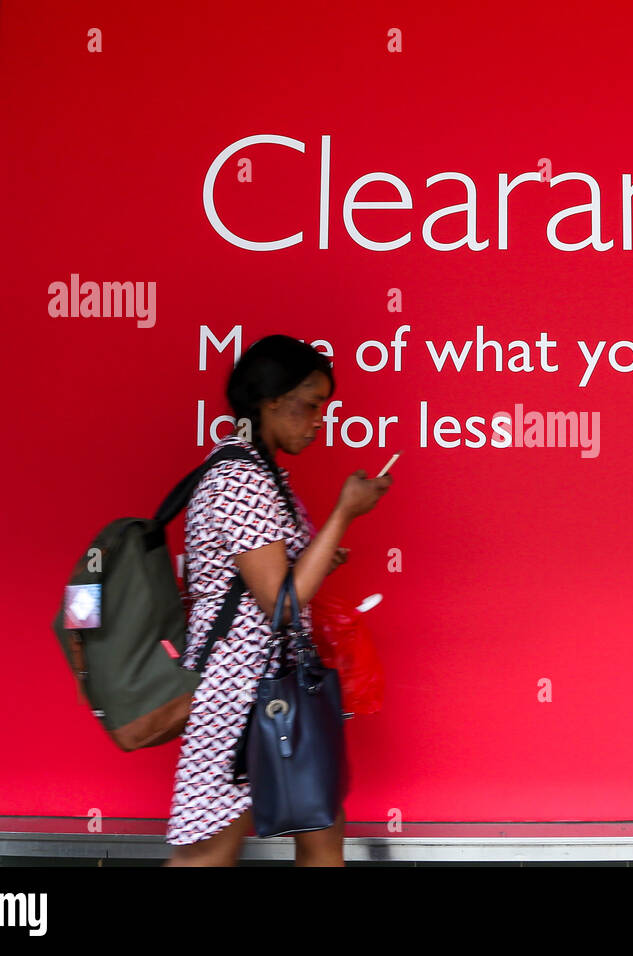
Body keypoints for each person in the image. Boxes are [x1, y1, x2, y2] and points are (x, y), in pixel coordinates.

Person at [164, 334, 392, 866]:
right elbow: (282, 605)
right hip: (239, 695)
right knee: (205, 856)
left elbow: (270, 578)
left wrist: (317, 554)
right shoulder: (240, 478)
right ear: (271, 399)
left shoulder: (260, 473)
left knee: (320, 833)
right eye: (310, 405)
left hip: (278, 685)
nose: (319, 420)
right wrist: (344, 512)